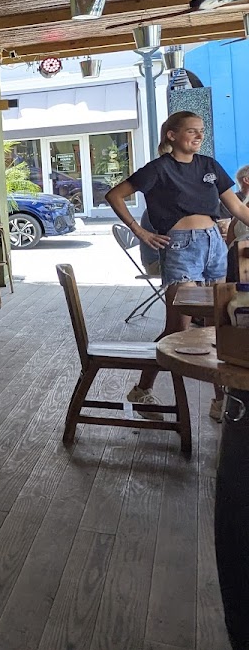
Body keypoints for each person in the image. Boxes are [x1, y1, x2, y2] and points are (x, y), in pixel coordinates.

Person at [105, 112, 249, 422]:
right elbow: (115, 194)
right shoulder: (159, 169)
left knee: (220, 323)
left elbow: (236, 207)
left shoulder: (208, 165)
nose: (198, 136)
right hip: (181, 247)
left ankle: (220, 399)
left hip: (214, 244)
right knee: (178, 326)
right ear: (171, 135)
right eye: (191, 131)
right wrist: (139, 230)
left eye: (201, 131)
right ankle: (141, 389)